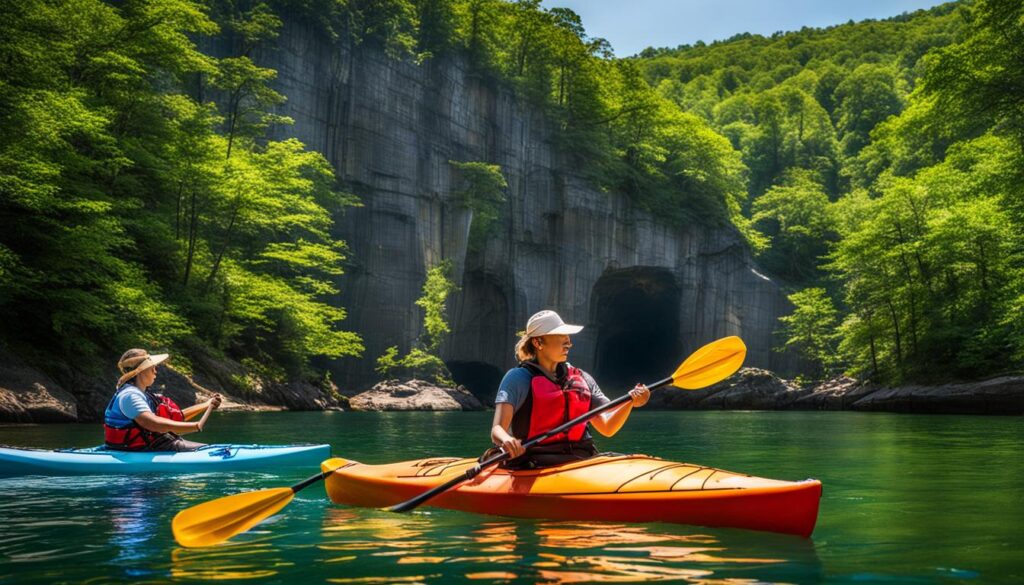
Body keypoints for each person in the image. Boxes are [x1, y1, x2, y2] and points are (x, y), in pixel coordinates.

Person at [489, 310, 650, 469]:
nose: (568, 342)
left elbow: (607, 428)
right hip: (535, 462)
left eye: (568, 336)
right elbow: (497, 430)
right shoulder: (518, 378)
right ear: (538, 343)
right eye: (560, 335)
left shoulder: (582, 378)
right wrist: (507, 440)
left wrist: (630, 402)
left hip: (581, 460)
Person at [103, 349, 222, 452]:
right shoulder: (130, 396)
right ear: (141, 371)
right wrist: (193, 426)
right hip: (139, 449)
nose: (155, 371)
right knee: (210, 450)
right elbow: (153, 424)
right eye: (152, 368)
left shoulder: (142, 394)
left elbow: (173, 418)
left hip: (149, 446)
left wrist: (206, 405)